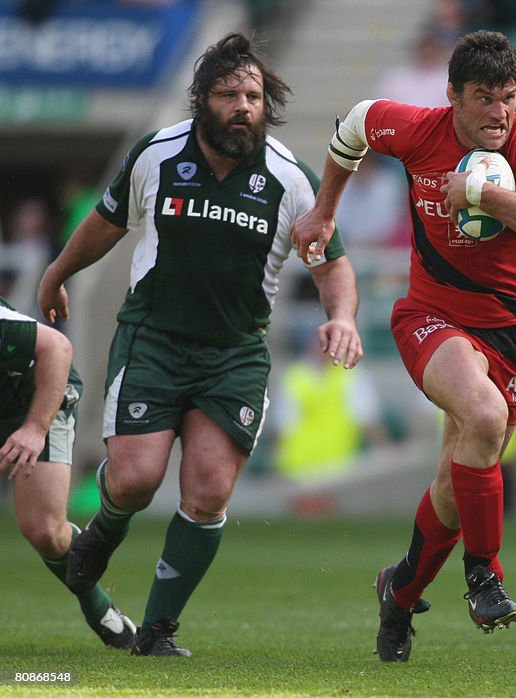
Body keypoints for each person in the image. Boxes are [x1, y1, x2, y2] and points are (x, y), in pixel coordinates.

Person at [37, 33, 362, 658]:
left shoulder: (291, 180)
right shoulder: (157, 155)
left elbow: (334, 265)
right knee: (134, 481)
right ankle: (100, 535)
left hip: (235, 353)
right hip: (153, 341)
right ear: (201, 101)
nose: (244, 105)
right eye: (229, 94)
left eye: (254, 95)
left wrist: (341, 317)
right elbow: (104, 227)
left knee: (208, 491)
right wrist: (55, 275)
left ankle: (158, 630)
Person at [291, 30, 516, 662]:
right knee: (483, 416)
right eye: (483, 98)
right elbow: (359, 124)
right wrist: (323, 211)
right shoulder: (420, 130)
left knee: (456, 483)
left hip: (508, 330)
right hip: (429, 315)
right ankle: (486, 575)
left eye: (508, 96)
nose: (499, 113)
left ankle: (397, 596)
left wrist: (484, 194)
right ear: (452, 95)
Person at [0, 296, 137, 649]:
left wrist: (34, 428)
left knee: (45, 531)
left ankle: (96, 604)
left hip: (33, 393)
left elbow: (58, 347)